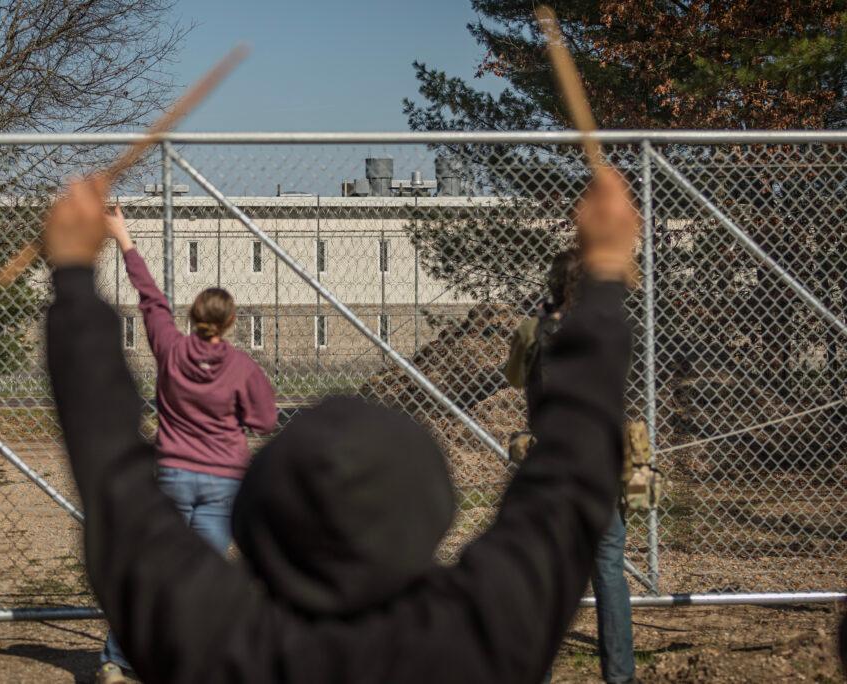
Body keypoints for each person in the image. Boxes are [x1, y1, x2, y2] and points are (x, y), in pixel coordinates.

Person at [43, 167, 639, 684]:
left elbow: (112, 472)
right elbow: (572, 468)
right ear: (433, 509)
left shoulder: (213, 647)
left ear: (263, 521)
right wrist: (605, 276)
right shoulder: (483, 641)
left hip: (177, 469)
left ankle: (114, 661)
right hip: (217, 472)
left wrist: (73, 276)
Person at [95, 205, 278, 683]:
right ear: (231, 321)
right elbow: (264, 420)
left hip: (173, 473)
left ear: (194, 317)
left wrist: (123, 235)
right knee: (202, 579)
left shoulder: (171, 350)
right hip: (224, 481)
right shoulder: (243, 368)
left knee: (154, 572)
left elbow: (150, 298)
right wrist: (234, 413)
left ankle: (118, 659)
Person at [505, 248, 636, 684]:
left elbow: (514, 377)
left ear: (553, 284)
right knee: (609, 573)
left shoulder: (533, 330)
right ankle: (620, 676)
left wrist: (541, 323)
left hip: (551, 470)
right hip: (599, 467)